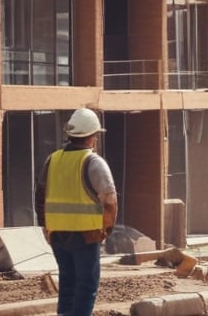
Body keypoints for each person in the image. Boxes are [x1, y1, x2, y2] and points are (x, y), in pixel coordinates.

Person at [36, 108, 118, 316]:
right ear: (92, 136)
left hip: (58, 235)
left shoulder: (52, 160)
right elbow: (109, 200)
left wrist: (46, 227)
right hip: (86, 236)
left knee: (68, 282)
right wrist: (106, 231)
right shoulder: (94, 162)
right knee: (86, 286)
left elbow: (40, 196)